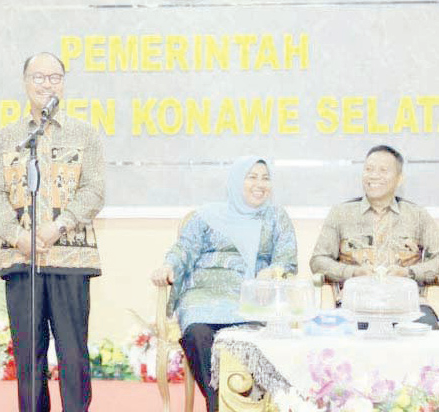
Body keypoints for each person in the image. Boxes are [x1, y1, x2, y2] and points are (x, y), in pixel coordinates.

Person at [0, 52, 104, 412]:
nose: (46, 84)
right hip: (21, 259)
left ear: (63, 83)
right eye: (39, 77)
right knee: (27, 355)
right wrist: (17, 235)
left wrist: (58, 226)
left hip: (71, 257)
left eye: (54, 77)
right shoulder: (6, 138)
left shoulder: (86, 135)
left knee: (73, 353)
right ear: (25, 83)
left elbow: (94, 190)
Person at [151, 156, 298, 412]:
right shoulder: (207, 216)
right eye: (251, 177)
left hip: (250, 295)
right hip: (203, 293)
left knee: (256, 333)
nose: (259, 184)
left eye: (265, 178)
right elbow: (184, 249)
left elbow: (286, 259)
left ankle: (247, 403)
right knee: (197, 331)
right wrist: (169, 266)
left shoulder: (276, 217)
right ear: (235, 182)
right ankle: (218, 404)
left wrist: (274, 271)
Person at [310, 145, 439, 327]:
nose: (373, 176)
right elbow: (318, 261)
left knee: (427, 330)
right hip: (354, 305)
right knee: (346, 333)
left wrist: (409, 273)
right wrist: (353, 273)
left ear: (399, 179)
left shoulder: (417, 215)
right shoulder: (341, 213)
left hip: (407, 306)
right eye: (369, 169)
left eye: (383, 170)